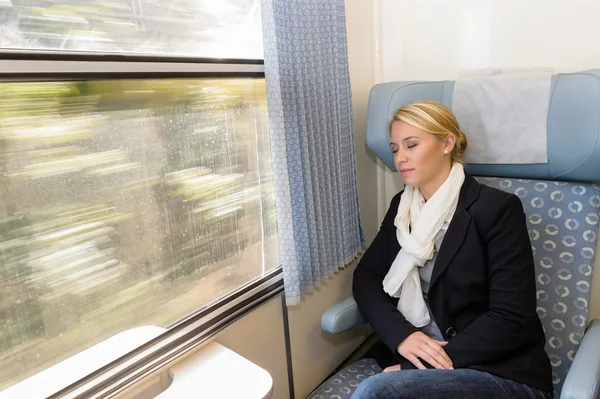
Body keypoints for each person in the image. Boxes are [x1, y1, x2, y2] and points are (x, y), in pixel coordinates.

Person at [350, 101, 553, 398]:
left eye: (411, 145)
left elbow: (512, 318)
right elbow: (366, 276)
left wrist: (416, 367)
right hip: (426, 362)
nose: (400, 158)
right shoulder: (404, 208)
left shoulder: (496, 209)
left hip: (495, 369)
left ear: (447, 143)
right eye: (395, 149)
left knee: (375, 393)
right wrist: (402, 336)